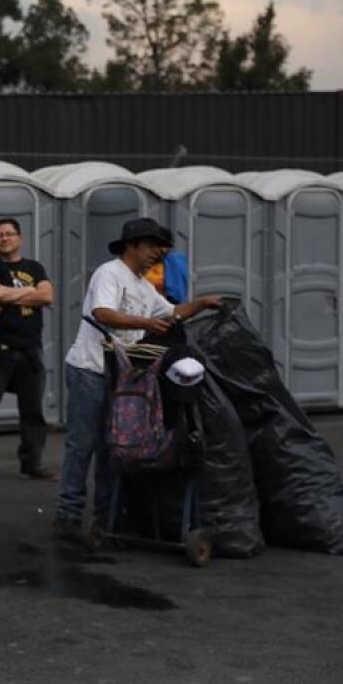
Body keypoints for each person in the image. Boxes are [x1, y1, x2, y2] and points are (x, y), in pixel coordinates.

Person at [54, 218, 221, 542]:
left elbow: (171, 312)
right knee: (82, 443)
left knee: (111, 445)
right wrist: (145, 321)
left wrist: (201, 304)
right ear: (132, 245)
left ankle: (103, 518)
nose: (154, 255)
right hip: (89, 369)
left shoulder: (144, 287)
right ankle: (68, 514)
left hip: (120, 376)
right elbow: (102, 313)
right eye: (150, 247)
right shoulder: (110, 274)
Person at [0, 218, 55, 483]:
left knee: (33, 412)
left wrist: (11, 294)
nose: (4, 238)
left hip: (29, 349)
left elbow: (47, 296)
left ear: (19, 238)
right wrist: (30, 292)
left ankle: (32, 463)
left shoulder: (34, 267)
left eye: (9, 234)